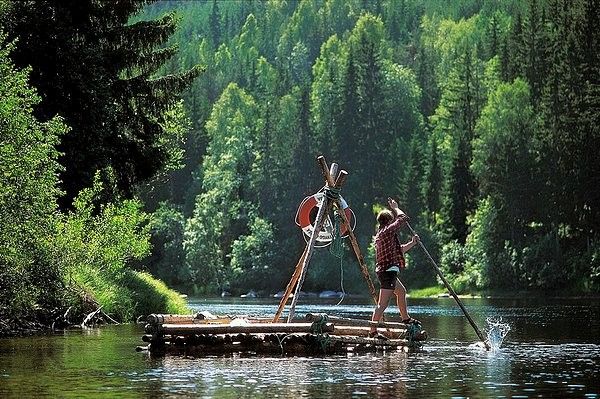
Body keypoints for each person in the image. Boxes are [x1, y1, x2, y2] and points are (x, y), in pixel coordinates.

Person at [369, 197, 420, 339]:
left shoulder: (384, 235)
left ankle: (405, 318)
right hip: (387, 273)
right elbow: (403, 218)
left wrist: (413, 243)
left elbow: (399, 250)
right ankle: (373, 331)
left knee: (401, 292)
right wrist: (395, 207)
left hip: (388, 272)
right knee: (382, 304)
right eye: (392, 219)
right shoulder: (386, 232)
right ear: (389, 220)